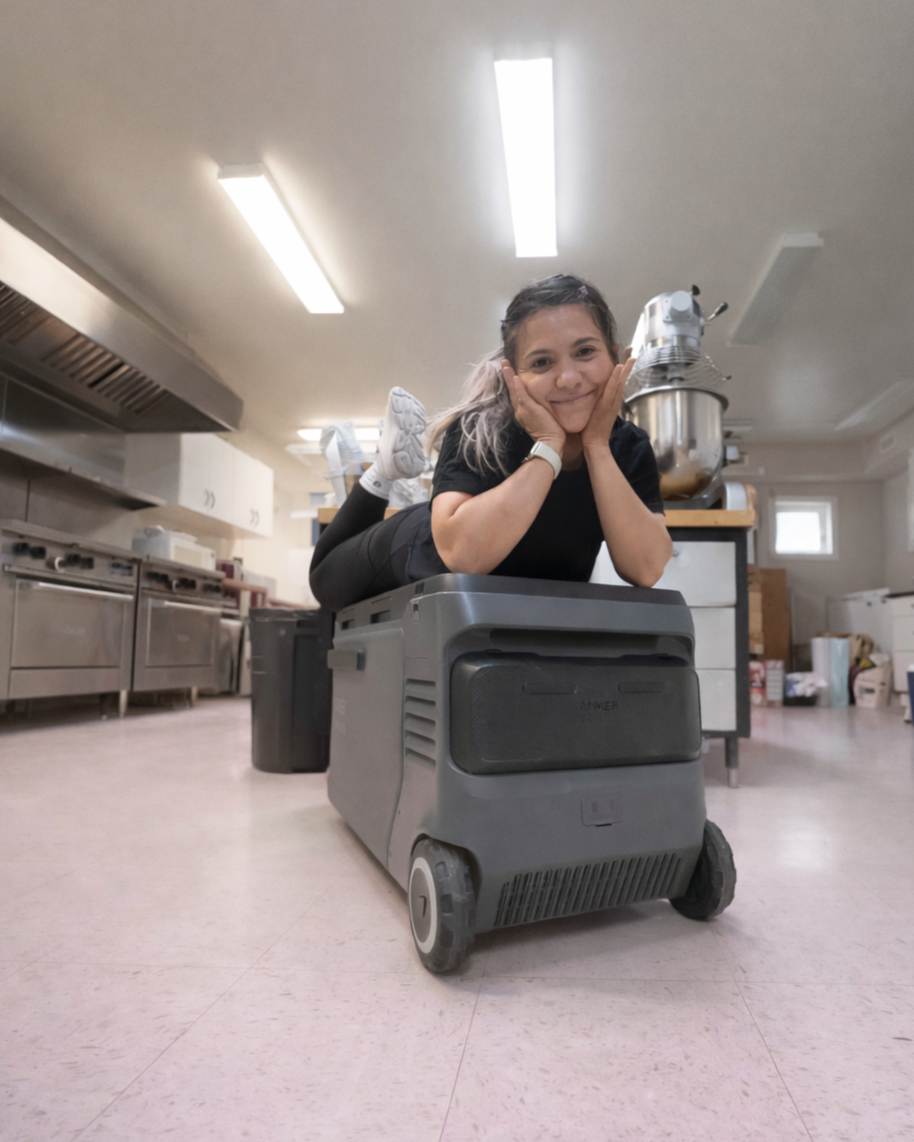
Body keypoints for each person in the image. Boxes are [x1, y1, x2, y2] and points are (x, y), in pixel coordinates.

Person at [309, 274, 671, 613]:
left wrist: (597, 447)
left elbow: (646, 568)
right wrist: (549, 447)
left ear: (615, 356)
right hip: (414, 547)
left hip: (512, 604)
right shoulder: (480, 428)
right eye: (542, 362)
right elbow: (461, 555)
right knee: (325, 583)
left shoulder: (629, 446)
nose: (568, 378)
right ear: (513, 375)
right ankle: (383, 471)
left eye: (585, 352)